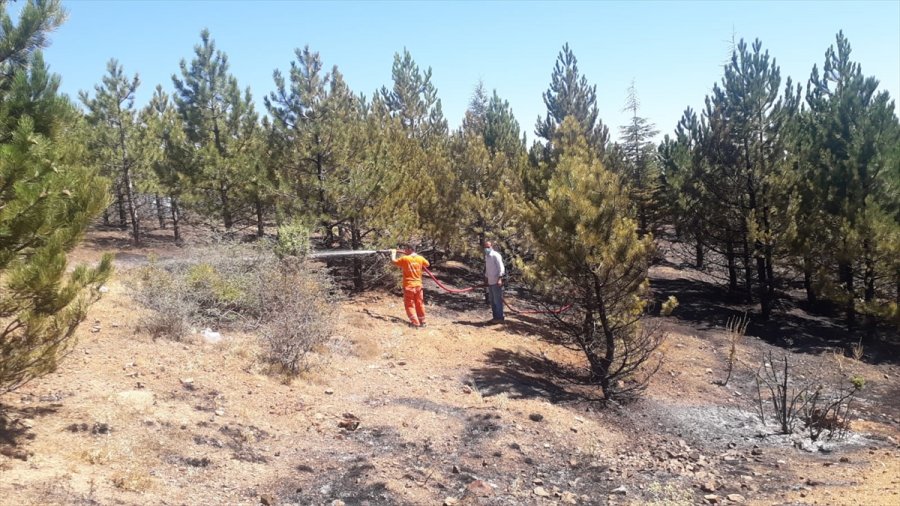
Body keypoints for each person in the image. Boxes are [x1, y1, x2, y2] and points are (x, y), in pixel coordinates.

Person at [390, 246, 430, 328]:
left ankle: (415, 323)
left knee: (409, 305)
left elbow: (393, 261)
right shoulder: (420, 258)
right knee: (420, 303)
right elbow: (427, 264)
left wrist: (393, 253)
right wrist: (417, 259)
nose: (404, 250)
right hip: (418, 286)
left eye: (406, 249)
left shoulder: (405, 259)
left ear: (410, 249)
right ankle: (423, 322)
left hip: (409, 286)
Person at [484, 241, 505, 323]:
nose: (487, 249)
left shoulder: (496, 255)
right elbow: (488, 268)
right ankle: (495, 317)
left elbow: (501, 268)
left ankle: (500, 318)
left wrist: (500, 279)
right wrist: (486, 278)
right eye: (485, 247)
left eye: (488, 247)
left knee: (497, 300)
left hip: (496, 282)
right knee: (492, 301)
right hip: (490, 282)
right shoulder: (487, 256)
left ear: (491, 247)